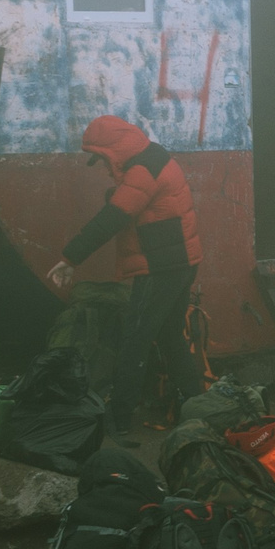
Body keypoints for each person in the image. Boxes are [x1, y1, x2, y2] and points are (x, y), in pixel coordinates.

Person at [48, 116, 202, 435]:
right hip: (182, 263)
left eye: (105, 160)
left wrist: (70, 259)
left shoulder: (142, 172)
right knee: (171, 336)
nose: (106, 169)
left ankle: (119, 419)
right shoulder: (154, 156)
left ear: (116, 151)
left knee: (135, 340)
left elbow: (113, 218)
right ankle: (198, 404)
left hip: (161, 268)